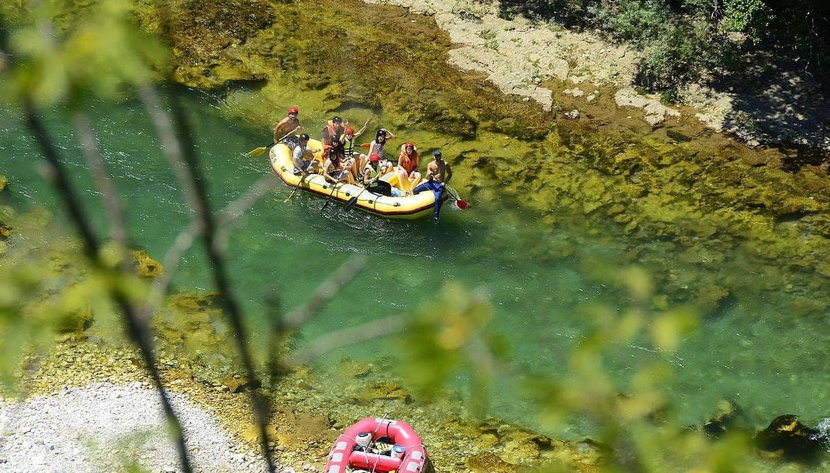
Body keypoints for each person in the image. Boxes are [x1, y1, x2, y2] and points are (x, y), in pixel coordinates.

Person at [413, 150, 453, 222]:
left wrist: (445, 182)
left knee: (437, 199)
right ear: (434, 157)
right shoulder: (430, 164)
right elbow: (427, 177)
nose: (438, 158)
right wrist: (429, 174)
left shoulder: (445, 164)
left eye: (439, 156)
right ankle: (416, 204)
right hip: (431, 182)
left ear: (441, 156)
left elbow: (450, 174)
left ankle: (436, 216)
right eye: (436, 156)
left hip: (439, 184)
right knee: (415, 190)